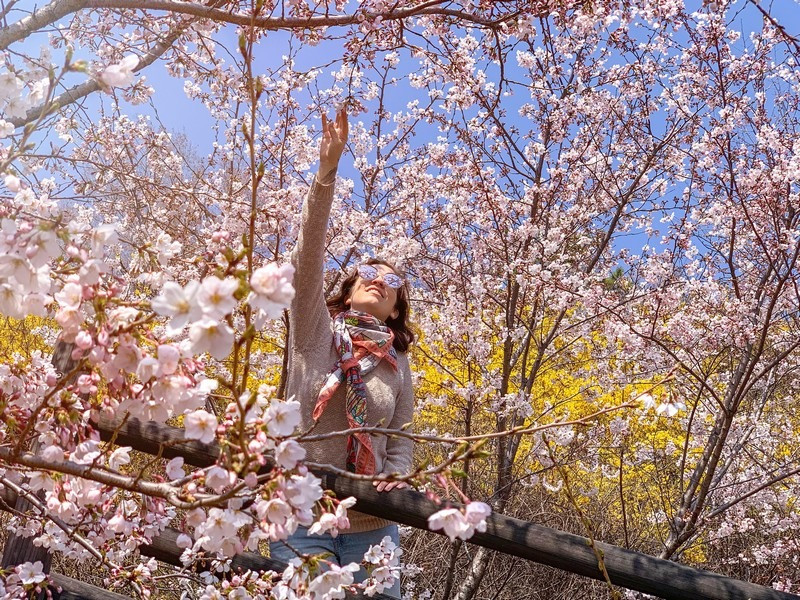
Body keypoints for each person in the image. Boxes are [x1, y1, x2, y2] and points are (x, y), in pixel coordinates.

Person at [269, 109, 415, 598]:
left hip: (373, 522)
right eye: (367, 273)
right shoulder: (315, 331)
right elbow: (305, 263)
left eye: (392, 282)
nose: (378, 279)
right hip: (299, 510)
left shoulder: (396, 362)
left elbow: (400, 436)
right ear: (348, 289)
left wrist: (395, 478)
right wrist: (326, 175)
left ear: (396, 308)